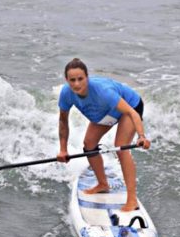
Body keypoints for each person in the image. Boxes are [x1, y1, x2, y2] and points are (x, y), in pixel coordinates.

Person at [56, 58, 151, 212]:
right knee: (89, 145)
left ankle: (132, 199)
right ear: (66, 80)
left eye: (81, 79)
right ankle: (102, 184)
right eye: (72, 80)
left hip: (130, 106)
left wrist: (141, 136)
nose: (77, 84)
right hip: (105, 112)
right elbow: (62, 121)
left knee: (121, 147)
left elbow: (131, 112)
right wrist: (63, 150)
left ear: (87, 77)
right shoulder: (66, 94)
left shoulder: (103, 91)